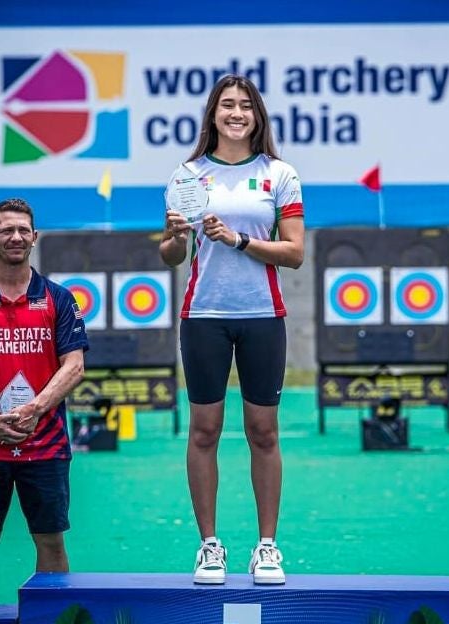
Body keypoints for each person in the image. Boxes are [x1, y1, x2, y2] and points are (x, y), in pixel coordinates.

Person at [160, 74, 304, 585]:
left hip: (263, 316)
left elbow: (295, 253)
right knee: (204, 431)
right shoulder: (188, 174)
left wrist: (241, 240)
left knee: (263, 432)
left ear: (257, 116)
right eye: (227, 105)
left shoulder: (280, 173)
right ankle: (210, 547)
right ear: (213, 115)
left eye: (245, 105)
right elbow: (172, 253)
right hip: (203, 318)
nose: (236, 113)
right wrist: (176, 236)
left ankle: (266, 548)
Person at [0, 198, 89, 604]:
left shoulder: (60, 299)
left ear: (34, 237)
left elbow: (74, 366)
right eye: (6, 230)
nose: (15, 237)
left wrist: (34, 408)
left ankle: (53, 618)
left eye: (22, 230)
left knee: (50, 541)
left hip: (44, 443)